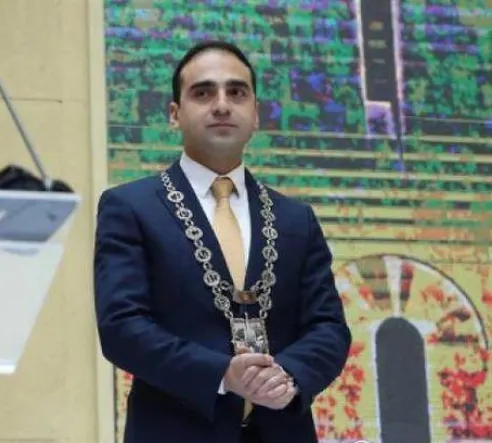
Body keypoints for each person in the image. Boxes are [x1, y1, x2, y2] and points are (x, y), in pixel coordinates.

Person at [93, 40, 352, 443]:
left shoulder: (296, 219)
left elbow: (328, 327)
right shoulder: (130, 207)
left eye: (236, 92)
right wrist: (222, 375)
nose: (221, 105)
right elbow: (122, 328)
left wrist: (289, 375)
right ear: (175, 114)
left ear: (256, 114)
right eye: (203, 93)